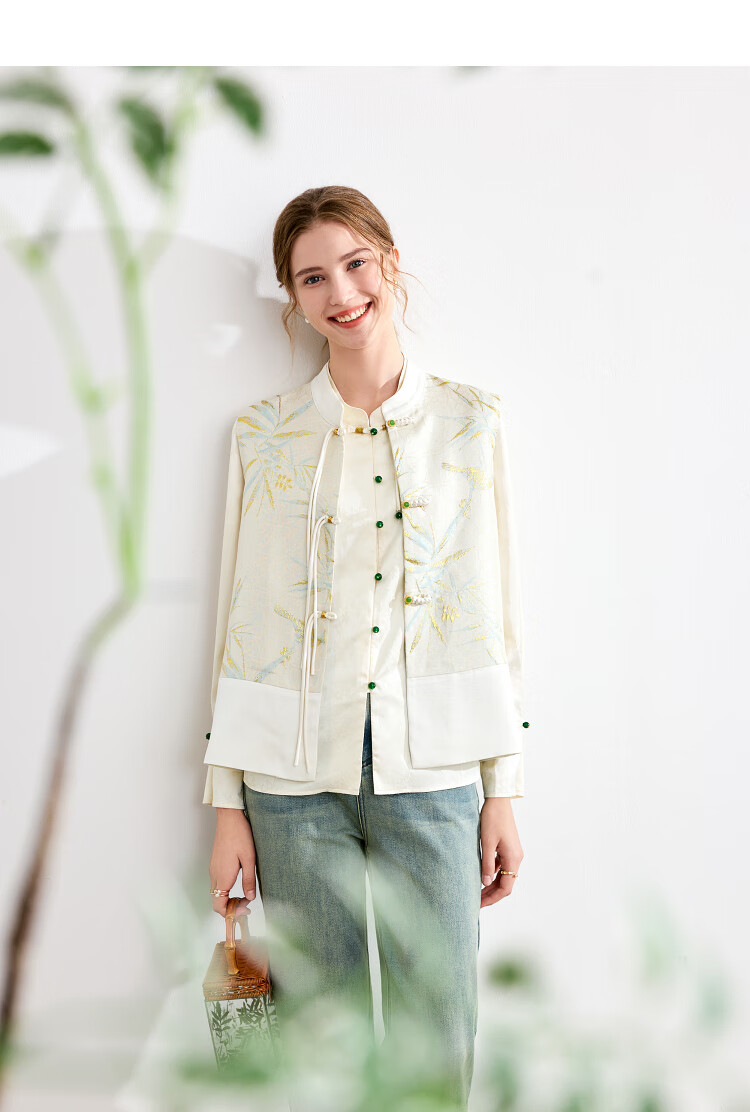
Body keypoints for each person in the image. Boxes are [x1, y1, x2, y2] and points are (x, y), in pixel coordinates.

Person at [203, 185, 527, 1110]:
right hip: (292, 785)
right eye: (313, 278)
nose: (340, 292)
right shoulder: (264, 435)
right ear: (293, 298)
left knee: (437, 1039)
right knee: (321, 1046)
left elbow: (494, 614)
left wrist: (503, 787)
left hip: (435, 775)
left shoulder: (471, 421)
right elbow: (240, 622)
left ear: (390, 263)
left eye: (354, 264)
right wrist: (226, 806)